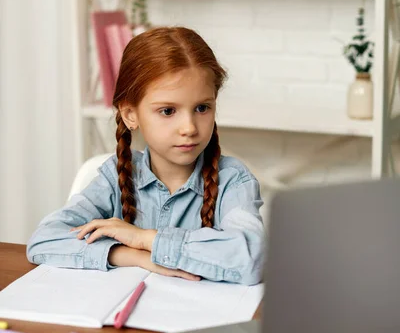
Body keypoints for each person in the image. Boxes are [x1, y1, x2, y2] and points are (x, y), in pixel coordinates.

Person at [27, 27, 265, 285]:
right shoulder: (115, 177)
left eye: (202, 108)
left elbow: (253, 259)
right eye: (167, 111)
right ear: (130, 114)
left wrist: (144, 239)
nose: (189, 128)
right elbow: (45, 240)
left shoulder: (232, 180)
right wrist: (132, 255)